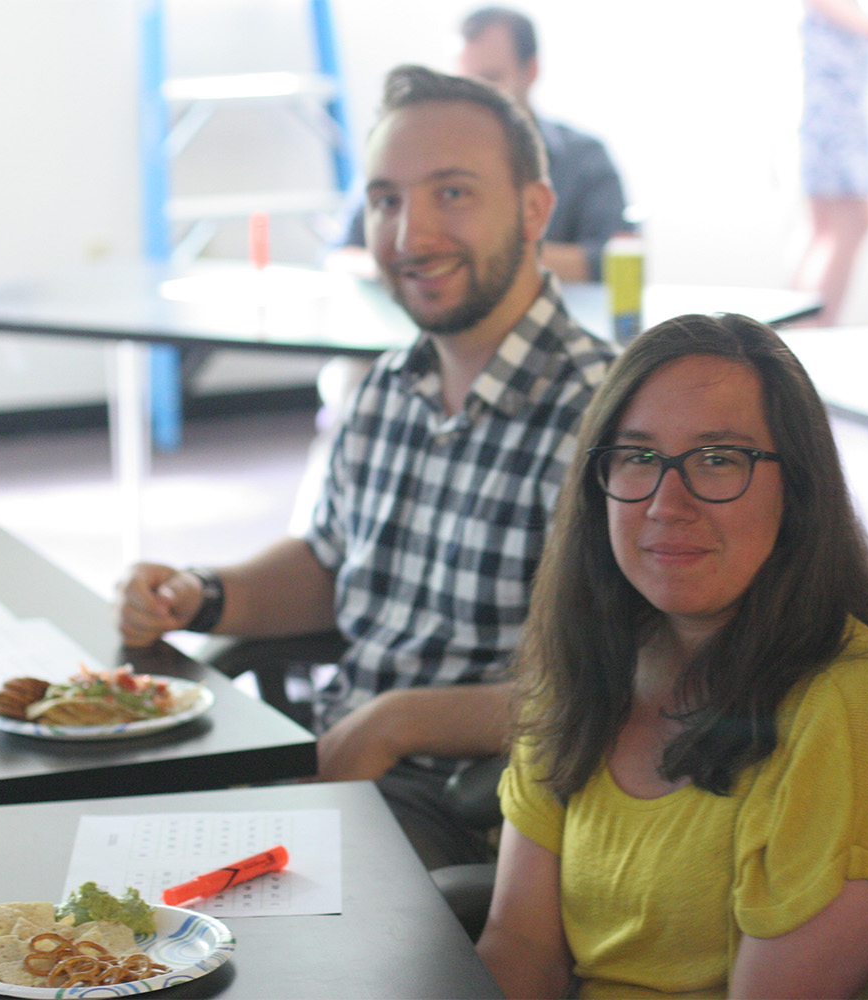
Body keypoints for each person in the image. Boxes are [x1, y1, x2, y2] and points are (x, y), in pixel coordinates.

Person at [116, 65, 617, 870]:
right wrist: (204, 593)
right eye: (386, 201)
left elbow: (623, 686)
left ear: (534, 210)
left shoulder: (604, 417)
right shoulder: (391, 383)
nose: (410, 236)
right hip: (343, 764)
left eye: (452, 193)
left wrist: (399, 721)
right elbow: (331, 560)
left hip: (479, 811)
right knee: (106, 854)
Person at [476, 313, 868, 999]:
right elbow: (518, 945)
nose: (665, 503)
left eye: (718, 460)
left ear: (797, 491)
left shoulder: (864, 711)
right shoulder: (593, 662)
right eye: (638, 457)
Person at [332, 5, 628, 284]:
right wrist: (410, 264)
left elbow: (612, 263)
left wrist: (480, 253)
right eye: (464, 81)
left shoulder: (584, 158)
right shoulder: (413, 155)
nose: (474, 98)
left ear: (531, 71)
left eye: (490, 80)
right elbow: (339, 255)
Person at [792, 0, 868, 327]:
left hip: (834, 99)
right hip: (832, 102)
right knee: (844, 222)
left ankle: (796, 337)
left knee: (832, 225)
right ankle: (806, 335)